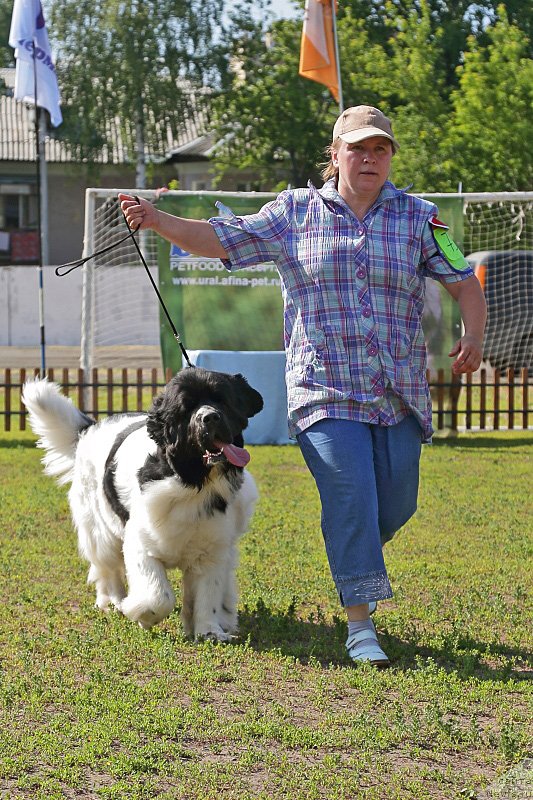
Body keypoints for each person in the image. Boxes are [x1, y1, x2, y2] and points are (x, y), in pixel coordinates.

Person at [120, 104, 487, 667]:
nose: (370, 158)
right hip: (323, 392)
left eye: (381, 149)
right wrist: (157, 219)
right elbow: (222, 238)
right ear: (335, 154)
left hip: (398, 393)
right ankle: (360, 626)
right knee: (351, 497)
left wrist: (473, 334)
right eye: (358, 148)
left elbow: (464, 282)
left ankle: (351, 548)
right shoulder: (294, 212)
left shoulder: (421, 218)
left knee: (395, 504)